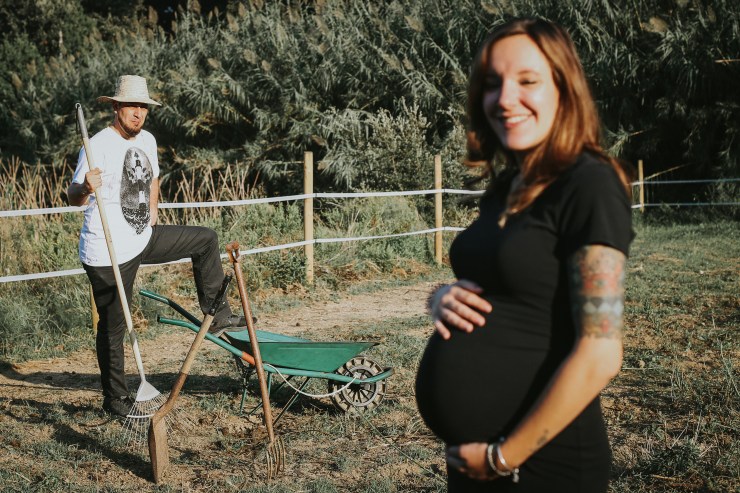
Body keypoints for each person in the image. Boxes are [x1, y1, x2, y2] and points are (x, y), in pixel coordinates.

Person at [414, 18, 633, 492]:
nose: (505, 98)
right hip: (478, 462)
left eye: (527, 81)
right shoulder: (508, 187)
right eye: (492, 83)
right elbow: (509, 285)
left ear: (564, 89)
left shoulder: (589, 184)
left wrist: (502, 457)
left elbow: (601, 352)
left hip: (539, 465)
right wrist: (440, 297)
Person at [67, 75, 247, 417]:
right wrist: (86, 188)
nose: (138, 113)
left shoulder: (147, 140)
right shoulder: (96, 146)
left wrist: (153, 209)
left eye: (143, 107)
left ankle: (218, 315)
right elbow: (73, 197)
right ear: (116, 107)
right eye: (131, 106)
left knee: (205, 239)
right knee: (114, 326)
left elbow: (153, 178)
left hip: (141, 237)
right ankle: (115, 399)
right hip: (107, 251)